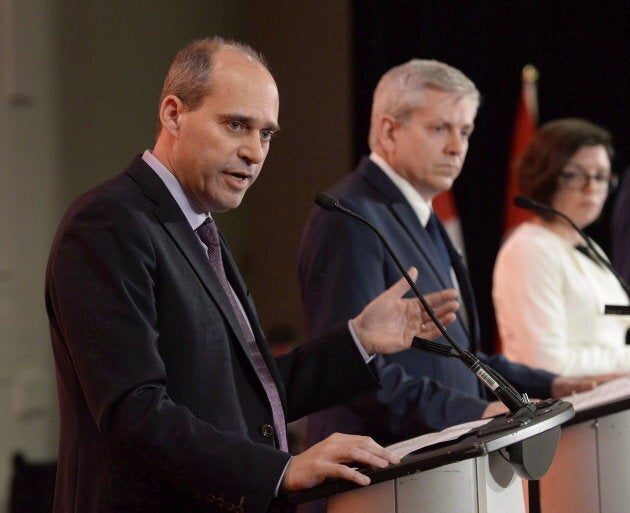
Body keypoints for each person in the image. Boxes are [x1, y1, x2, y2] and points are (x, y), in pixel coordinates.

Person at [44, 38, 460, 513]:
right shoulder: (109, 224)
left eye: (266, 134)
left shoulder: (197, 229)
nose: (255, 152)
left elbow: (243, 392)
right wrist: (279, 470)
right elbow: (133, 412)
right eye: (236, 125)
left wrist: (358, 340)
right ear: (174, 114)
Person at [298, 60, 616, 466]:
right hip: (377, 474)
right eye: (439, 129)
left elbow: (459, 356)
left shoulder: (421, 217)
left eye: (464, 131)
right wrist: (475, 412)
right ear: (388, 130)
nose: (456, 146)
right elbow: (350, 370)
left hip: (436, 468)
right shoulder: (350, 218)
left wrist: (555, 383)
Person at [493, 119, 630, 375]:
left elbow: (611, 329)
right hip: (571, 410)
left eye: (601, 177)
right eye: (575, 175)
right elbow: (545, 363)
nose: (592, 189)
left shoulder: (587, 246)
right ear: (545, 175)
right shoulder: (529, 249)